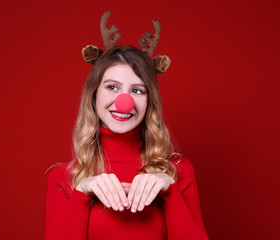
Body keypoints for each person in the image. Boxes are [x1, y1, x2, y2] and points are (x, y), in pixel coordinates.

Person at [44, 12, 208, 240]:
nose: (124, 101)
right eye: (112, 87)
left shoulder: (179, 172)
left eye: (137, 90)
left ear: (149, 101)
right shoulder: (63, 178)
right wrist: (81, 192)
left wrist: (169, 190)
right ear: (94, 95)